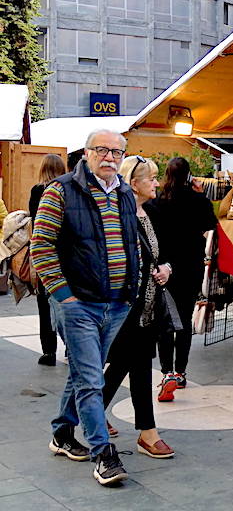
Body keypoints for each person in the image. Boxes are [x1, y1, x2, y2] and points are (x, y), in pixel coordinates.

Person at [30, 129, 139, 486]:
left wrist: (130, 289)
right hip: (78, 305)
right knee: (92, 379)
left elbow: (129, 241)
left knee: (82, 373)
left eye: (116, 152)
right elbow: (41, 247)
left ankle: (62, 433)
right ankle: (103, 455)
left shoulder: (123, 191)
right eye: (102, 150)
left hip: (116, 304)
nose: (109, 157)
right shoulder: (60, 190)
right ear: (86, 154)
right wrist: (65, 297)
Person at [103, 155, 175, 459]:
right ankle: (147, 432)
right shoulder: (118, 216)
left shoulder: (151, 212)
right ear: (134, 183)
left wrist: (166, 268)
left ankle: (80, 415)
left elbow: (162, 252)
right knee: (137, 364)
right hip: (123, 306)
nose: (157, 183)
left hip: (148, 305)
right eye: (152, 178)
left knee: (124, 364)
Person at [154, 157, 216, 398]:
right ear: (189, 175)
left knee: (165, 320)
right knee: (185, 319)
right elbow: (210, 225)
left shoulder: (158, 201)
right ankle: (181, 371)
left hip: (165, 266)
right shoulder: (198, 200)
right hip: (191, 264)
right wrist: (201, 196)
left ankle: (166, 371)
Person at [29, 154, 67, 366]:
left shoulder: (38, 191)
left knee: (45, 303)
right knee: (69, 301)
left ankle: (49, 351)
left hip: (47, 255)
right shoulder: (69, 190)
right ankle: (72, 347)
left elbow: (37, 223)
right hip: (68, 256)